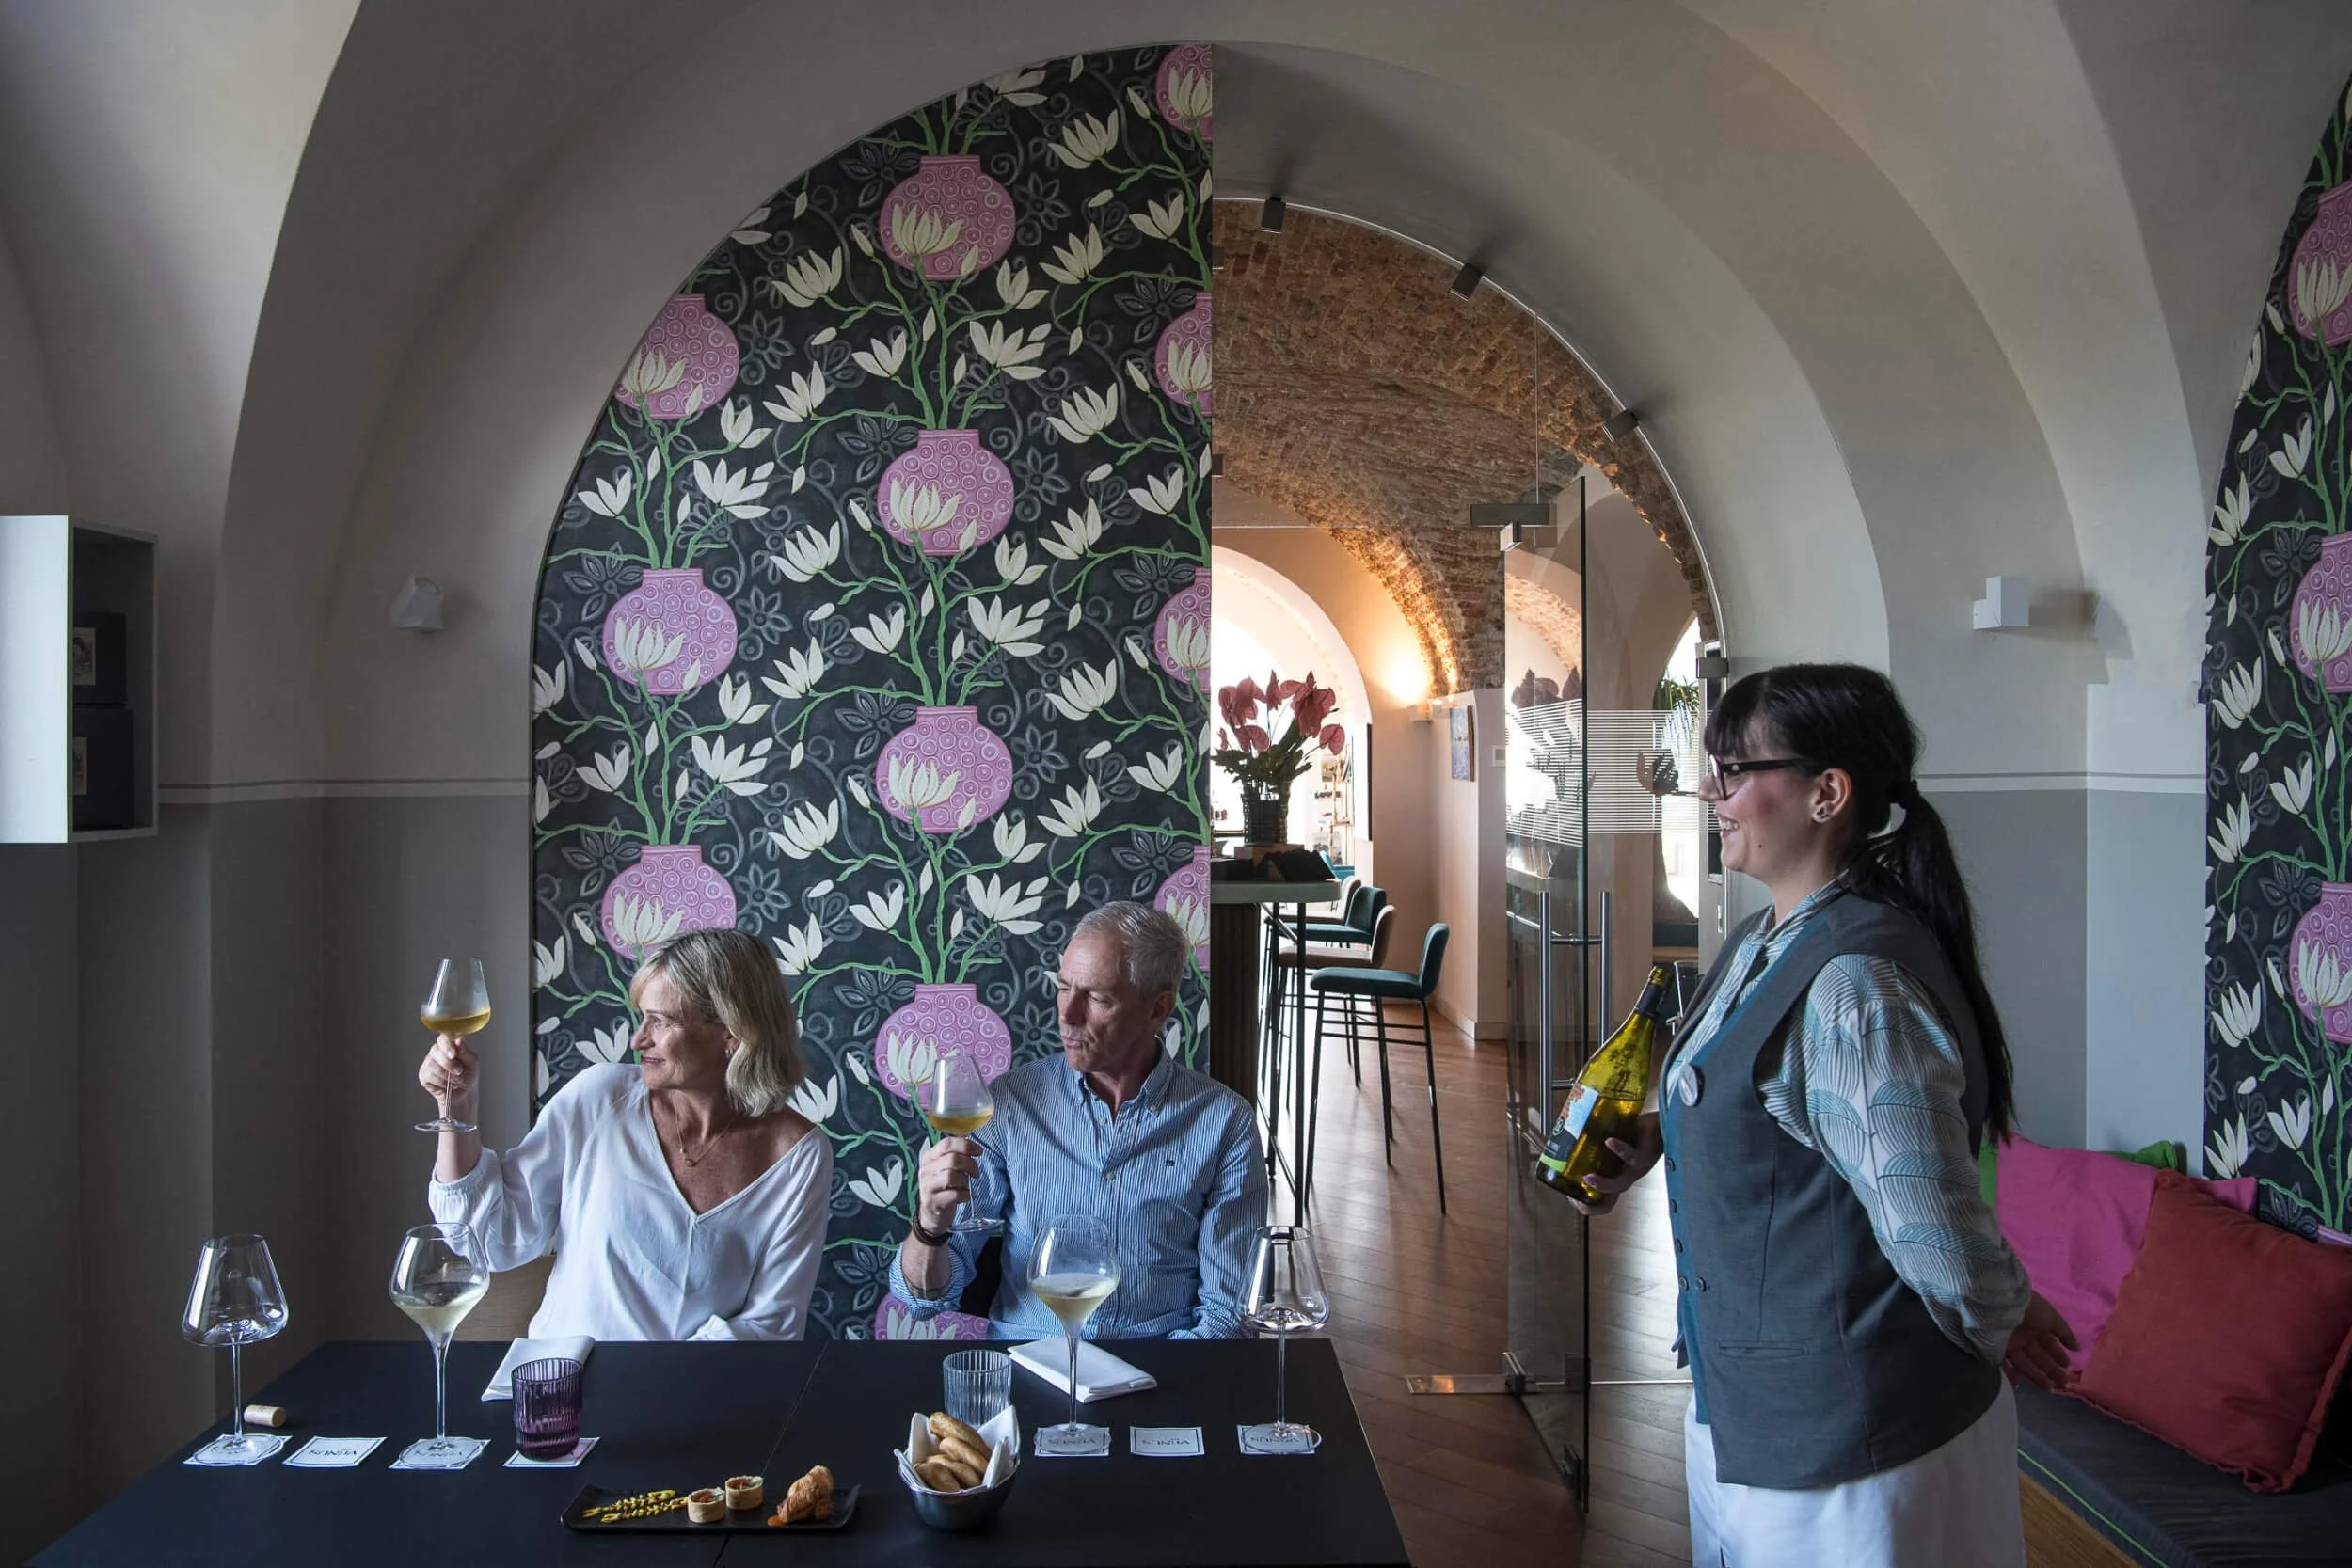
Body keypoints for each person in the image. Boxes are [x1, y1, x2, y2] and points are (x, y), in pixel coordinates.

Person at [1568, 664, 2076, 1568]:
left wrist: (2009, 1309)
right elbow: (1776, 1114)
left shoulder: (1854, 984)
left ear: (1826, 794)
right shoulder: (1760, 940)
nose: (1712, 794)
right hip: (1750, 1416)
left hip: (1854, 1453)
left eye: (1735, 771)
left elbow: (1933, 1226)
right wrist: (1662, 1139)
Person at [422, 927, 831, 1340]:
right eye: (643, 1017)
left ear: (731, 1032)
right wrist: (456, 1109)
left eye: (662, 1021)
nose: (638, 1040)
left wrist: (660, 1376)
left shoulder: (797, 1155)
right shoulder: (598, 1100)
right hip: (563, 1375)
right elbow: (490, 1240)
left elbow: (772, 1323)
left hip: (700, 1380)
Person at [889, 901, 1267, 1338]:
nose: (1067, 1016)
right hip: (1028, 1361)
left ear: (1157, 1010)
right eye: (1063, 987)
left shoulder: (1225, 1123)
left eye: (1098, 998)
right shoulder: (1009, 1104)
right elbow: (924, 1300)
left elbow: (1228, 1312)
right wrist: (930, 1226)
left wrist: (1158, 1379)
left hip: (1158, 1365)